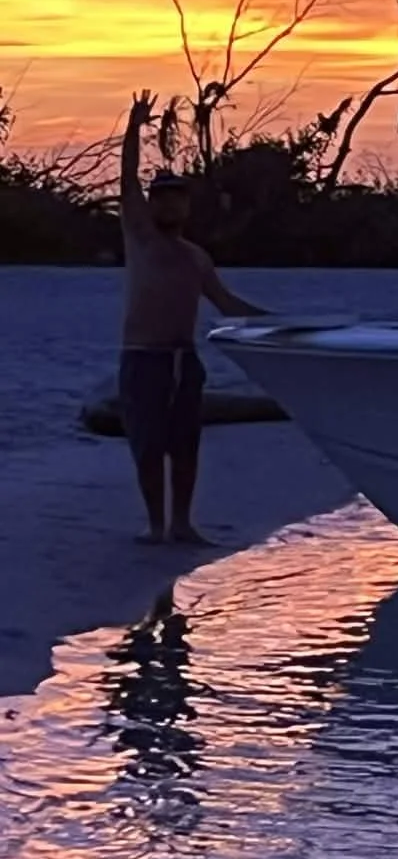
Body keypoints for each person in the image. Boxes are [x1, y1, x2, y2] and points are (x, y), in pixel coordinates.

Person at [118, 92, 266, 542]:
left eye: (177, 199)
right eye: (161, 199)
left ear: (186, 206)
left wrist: (276, 321)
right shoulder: (143, 238)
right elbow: (126, 182)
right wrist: (134, 127)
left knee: (185, 445)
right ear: (153, 204)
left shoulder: (195, 256)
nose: (169, 206)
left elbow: (225, 303)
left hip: (184, 362)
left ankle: (182, 524)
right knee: (147, 446)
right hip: (143, 359)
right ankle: (155, 525)